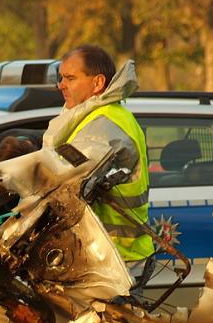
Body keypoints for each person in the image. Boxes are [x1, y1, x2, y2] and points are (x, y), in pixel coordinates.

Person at [49, 44, 155, 284]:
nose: (61, 85)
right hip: (113, 255)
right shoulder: (94, 116)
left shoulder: (105, 124)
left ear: (97, 83)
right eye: (61, 77)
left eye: (70, 78)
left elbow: (68, 183)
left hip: (115, 259)